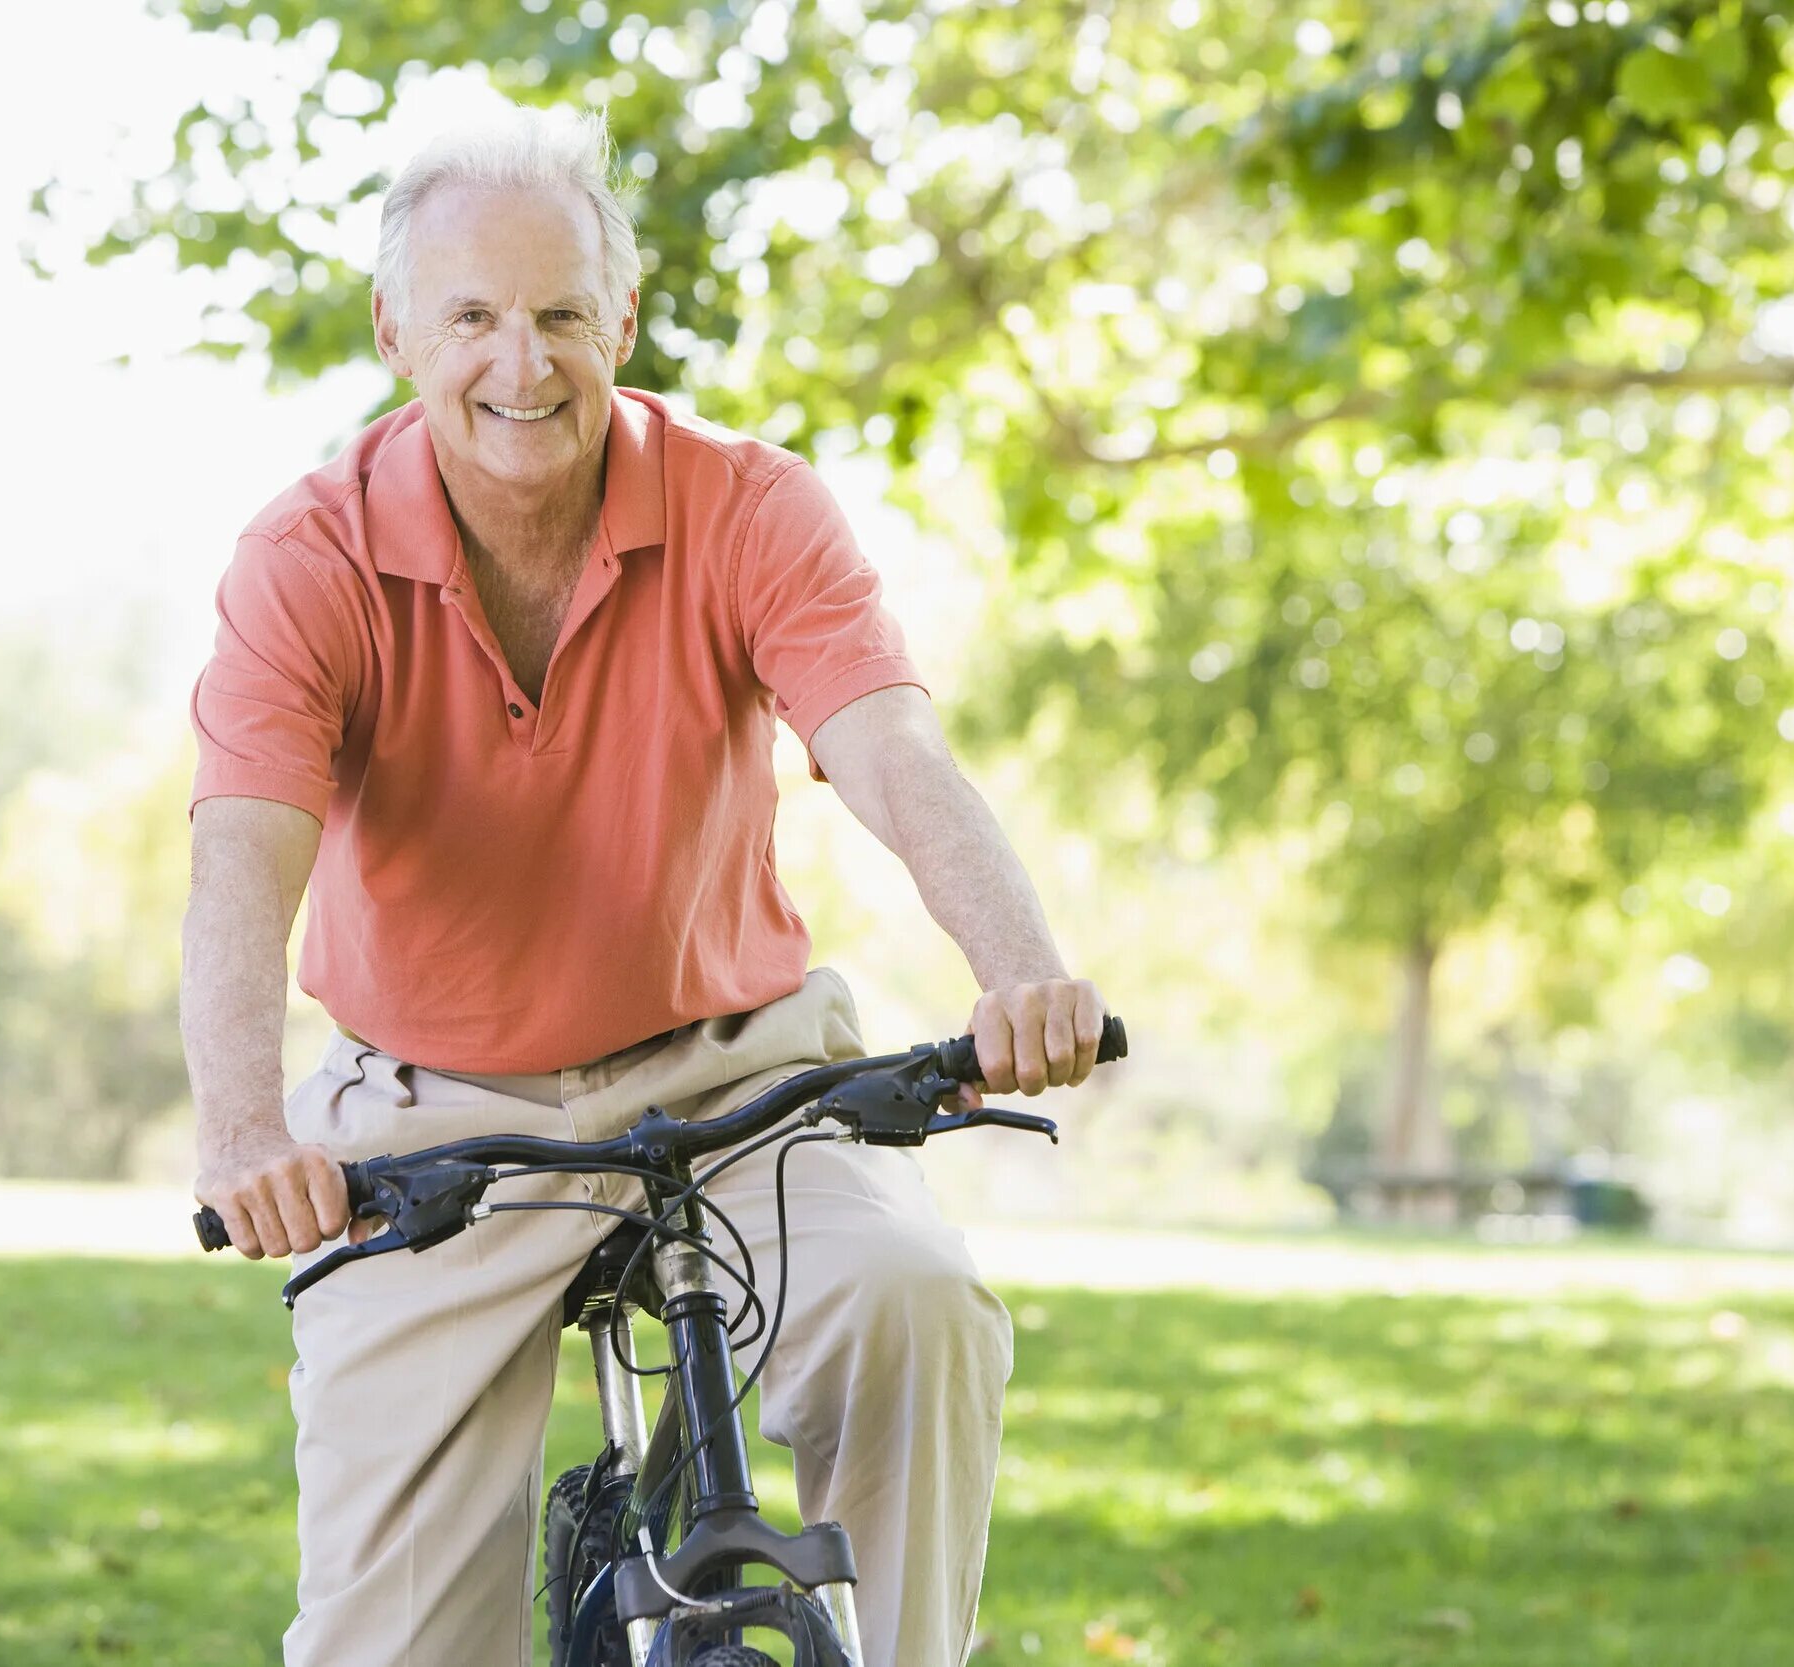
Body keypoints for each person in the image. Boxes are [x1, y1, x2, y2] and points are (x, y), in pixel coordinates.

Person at [181, 102, 1108, 1667]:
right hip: (436, 1108)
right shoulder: (310, 559)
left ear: (622, 314)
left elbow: (889, 749)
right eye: (473, 316)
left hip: (735, 1069)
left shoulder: (748, 503)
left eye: (559, 315)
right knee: (385, 1643)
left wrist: (1018, 962)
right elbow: (243, 853)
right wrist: (241, 1126)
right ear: (399, 328)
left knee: (917, 1305)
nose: (521, 365)